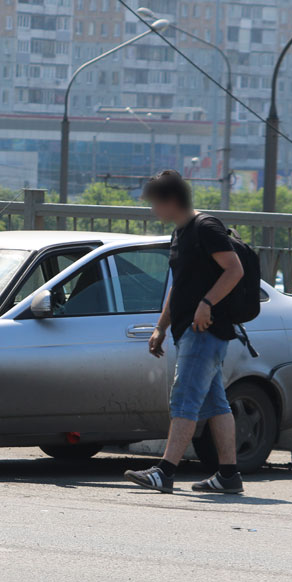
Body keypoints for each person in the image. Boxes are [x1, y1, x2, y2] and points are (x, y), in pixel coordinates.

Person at [124, 171, 246, 495]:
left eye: (155, 203)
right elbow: (179, 287)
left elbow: (235, 269)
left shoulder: (206, 228)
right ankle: (229, 475)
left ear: (172, 201)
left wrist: (207, 303)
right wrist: (160, 327)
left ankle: (165, 472)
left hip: (204, 331)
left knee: (184, 399)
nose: (153, 210)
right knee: (216, 404)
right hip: (186, 331)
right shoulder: (182, 233)